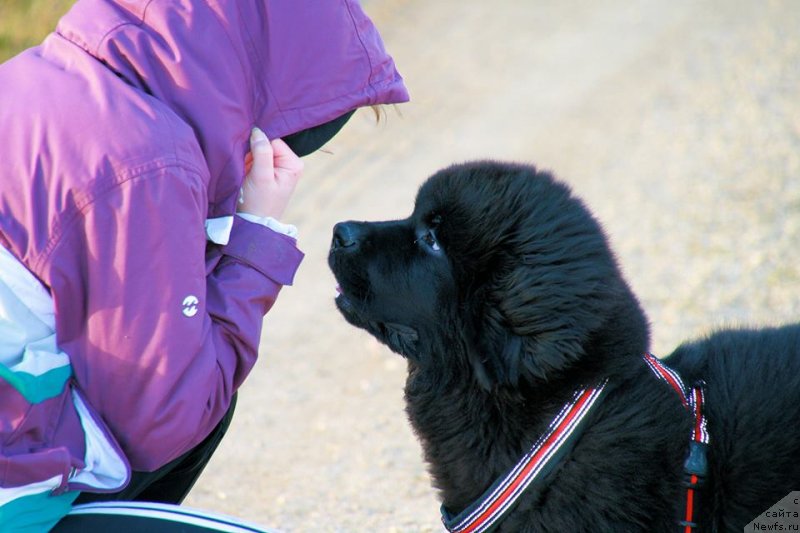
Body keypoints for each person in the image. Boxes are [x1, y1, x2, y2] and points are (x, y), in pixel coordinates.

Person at [0, 1, 408, 530]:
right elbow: (165, 419)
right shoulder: (146, 159)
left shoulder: (33, 78)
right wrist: (255, 240)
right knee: (204, 397)